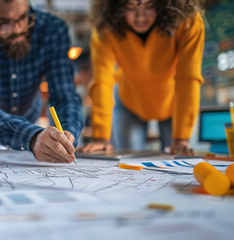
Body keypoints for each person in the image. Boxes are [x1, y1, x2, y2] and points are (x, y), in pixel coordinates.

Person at [0, 0, 83, 163]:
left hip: (30, 121)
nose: (17, 30)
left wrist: (68, 132)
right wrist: (31, 137)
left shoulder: (51, 30)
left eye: (22, 18)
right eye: (4, 23)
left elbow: (64, 95)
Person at [79, 0, 205, 155]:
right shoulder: (106, 26)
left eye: (149, 6)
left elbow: (189, 77)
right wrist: (101, 138)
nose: (140, 17)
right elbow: (102, 82)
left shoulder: (188, 21)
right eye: (130, 7)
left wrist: (181, 138)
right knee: (125, 160)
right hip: (129, 101)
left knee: (177, 158)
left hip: (174, 104)